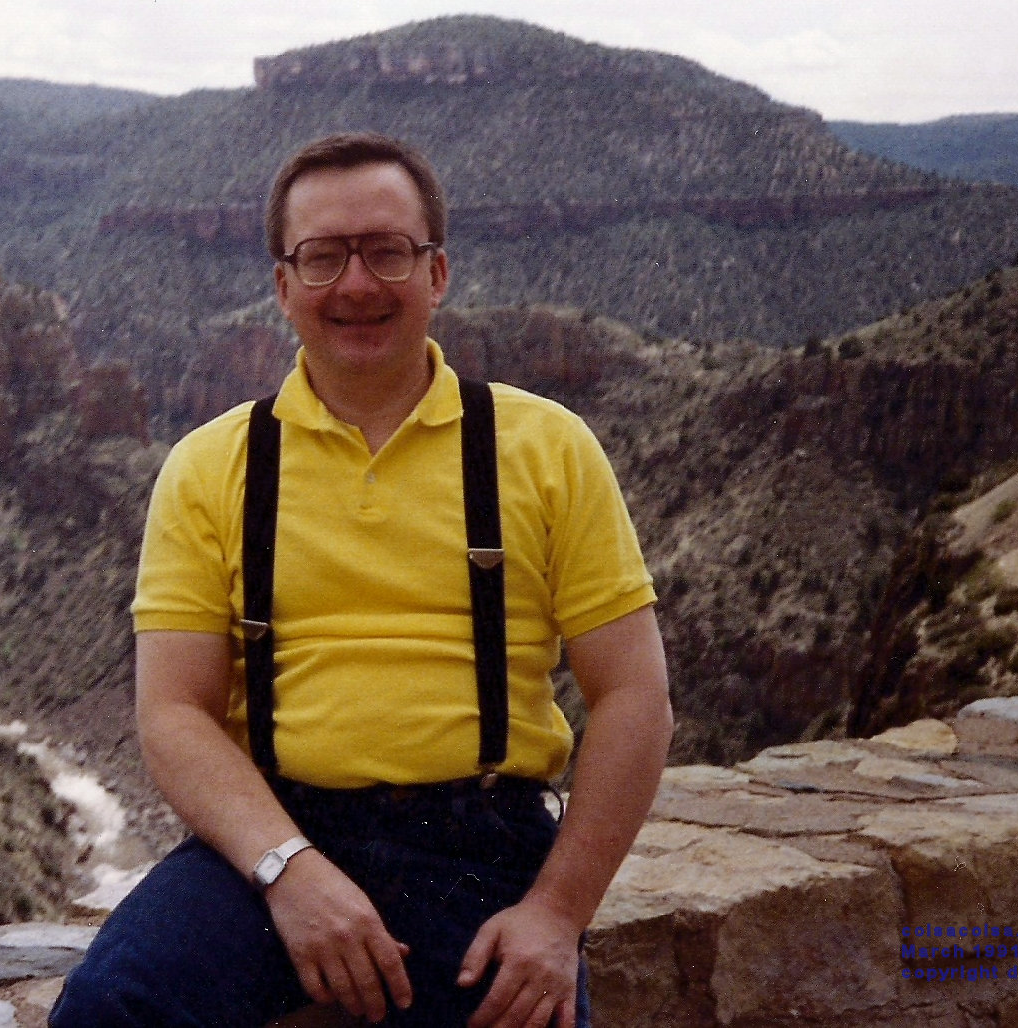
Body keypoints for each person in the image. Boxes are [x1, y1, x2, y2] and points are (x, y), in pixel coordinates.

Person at [52, 133, 672, 1028]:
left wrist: (557, 913)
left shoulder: (546, 449)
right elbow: (174, 713)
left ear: (437, 273)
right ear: (282, 286)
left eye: (388, 252)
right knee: (109, 1011)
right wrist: (288, 870)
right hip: (271, 834)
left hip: (482, 845)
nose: (356, 285)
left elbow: (634, 695)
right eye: (322, 258)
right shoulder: (211, 466)